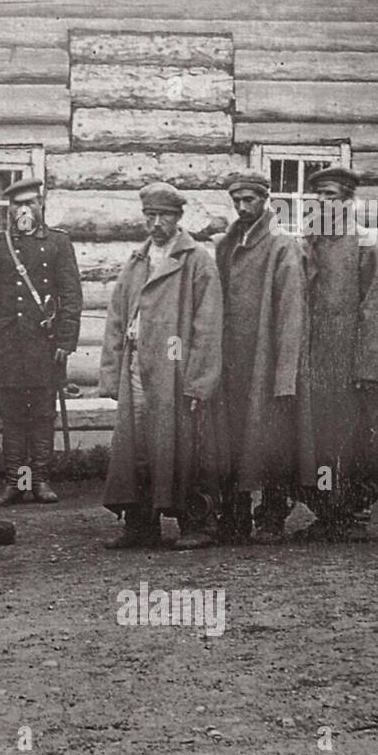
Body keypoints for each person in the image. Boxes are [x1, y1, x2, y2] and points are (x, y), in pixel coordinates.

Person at [99, 182, 226, 550]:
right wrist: (111, 373)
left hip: (176, 371)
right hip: (138, 366)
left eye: (164, 216)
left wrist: (199, 380)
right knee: (137, 444)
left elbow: (208, 324)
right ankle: (140, 524)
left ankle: (197, 523)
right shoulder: (137, 260)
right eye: (150, 216)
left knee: (183, 446)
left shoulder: (196, 260)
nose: (156, 223)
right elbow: (117, 318)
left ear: (178, 218)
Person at [295, 166, 378, 542]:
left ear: (348, 201)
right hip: (316, 361)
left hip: (351, 361)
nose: (323, 202)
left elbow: (374, 309)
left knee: (356, 436)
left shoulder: (364, 245)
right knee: (322, 436)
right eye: (319, 197)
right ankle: (329, 513)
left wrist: (366, 364)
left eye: (331, 196)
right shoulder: (310, 242)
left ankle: (354, 513)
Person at [212, 170, 315, 544]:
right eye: (237, 201)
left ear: (265, 200)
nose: (242, 207)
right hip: (230, 362)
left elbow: (292, 313)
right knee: (231, 441)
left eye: (249, 200)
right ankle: (234, 515)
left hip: (266, 361)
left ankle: (272, 515)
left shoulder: (282, 246)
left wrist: (286, 372)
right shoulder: (225, 245)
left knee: (271, 441)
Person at [0, 177, 82, 506]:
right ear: (8, 209)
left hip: (44, 344)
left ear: (40, 206)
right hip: (7, 344)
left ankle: (40, 481)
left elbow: (71, 295)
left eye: (30, 203)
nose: (23, 210)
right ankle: (16, 483)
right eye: (16, 205)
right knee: (13, 418)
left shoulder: (59, 243)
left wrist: (66, 339)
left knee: (42, 415)